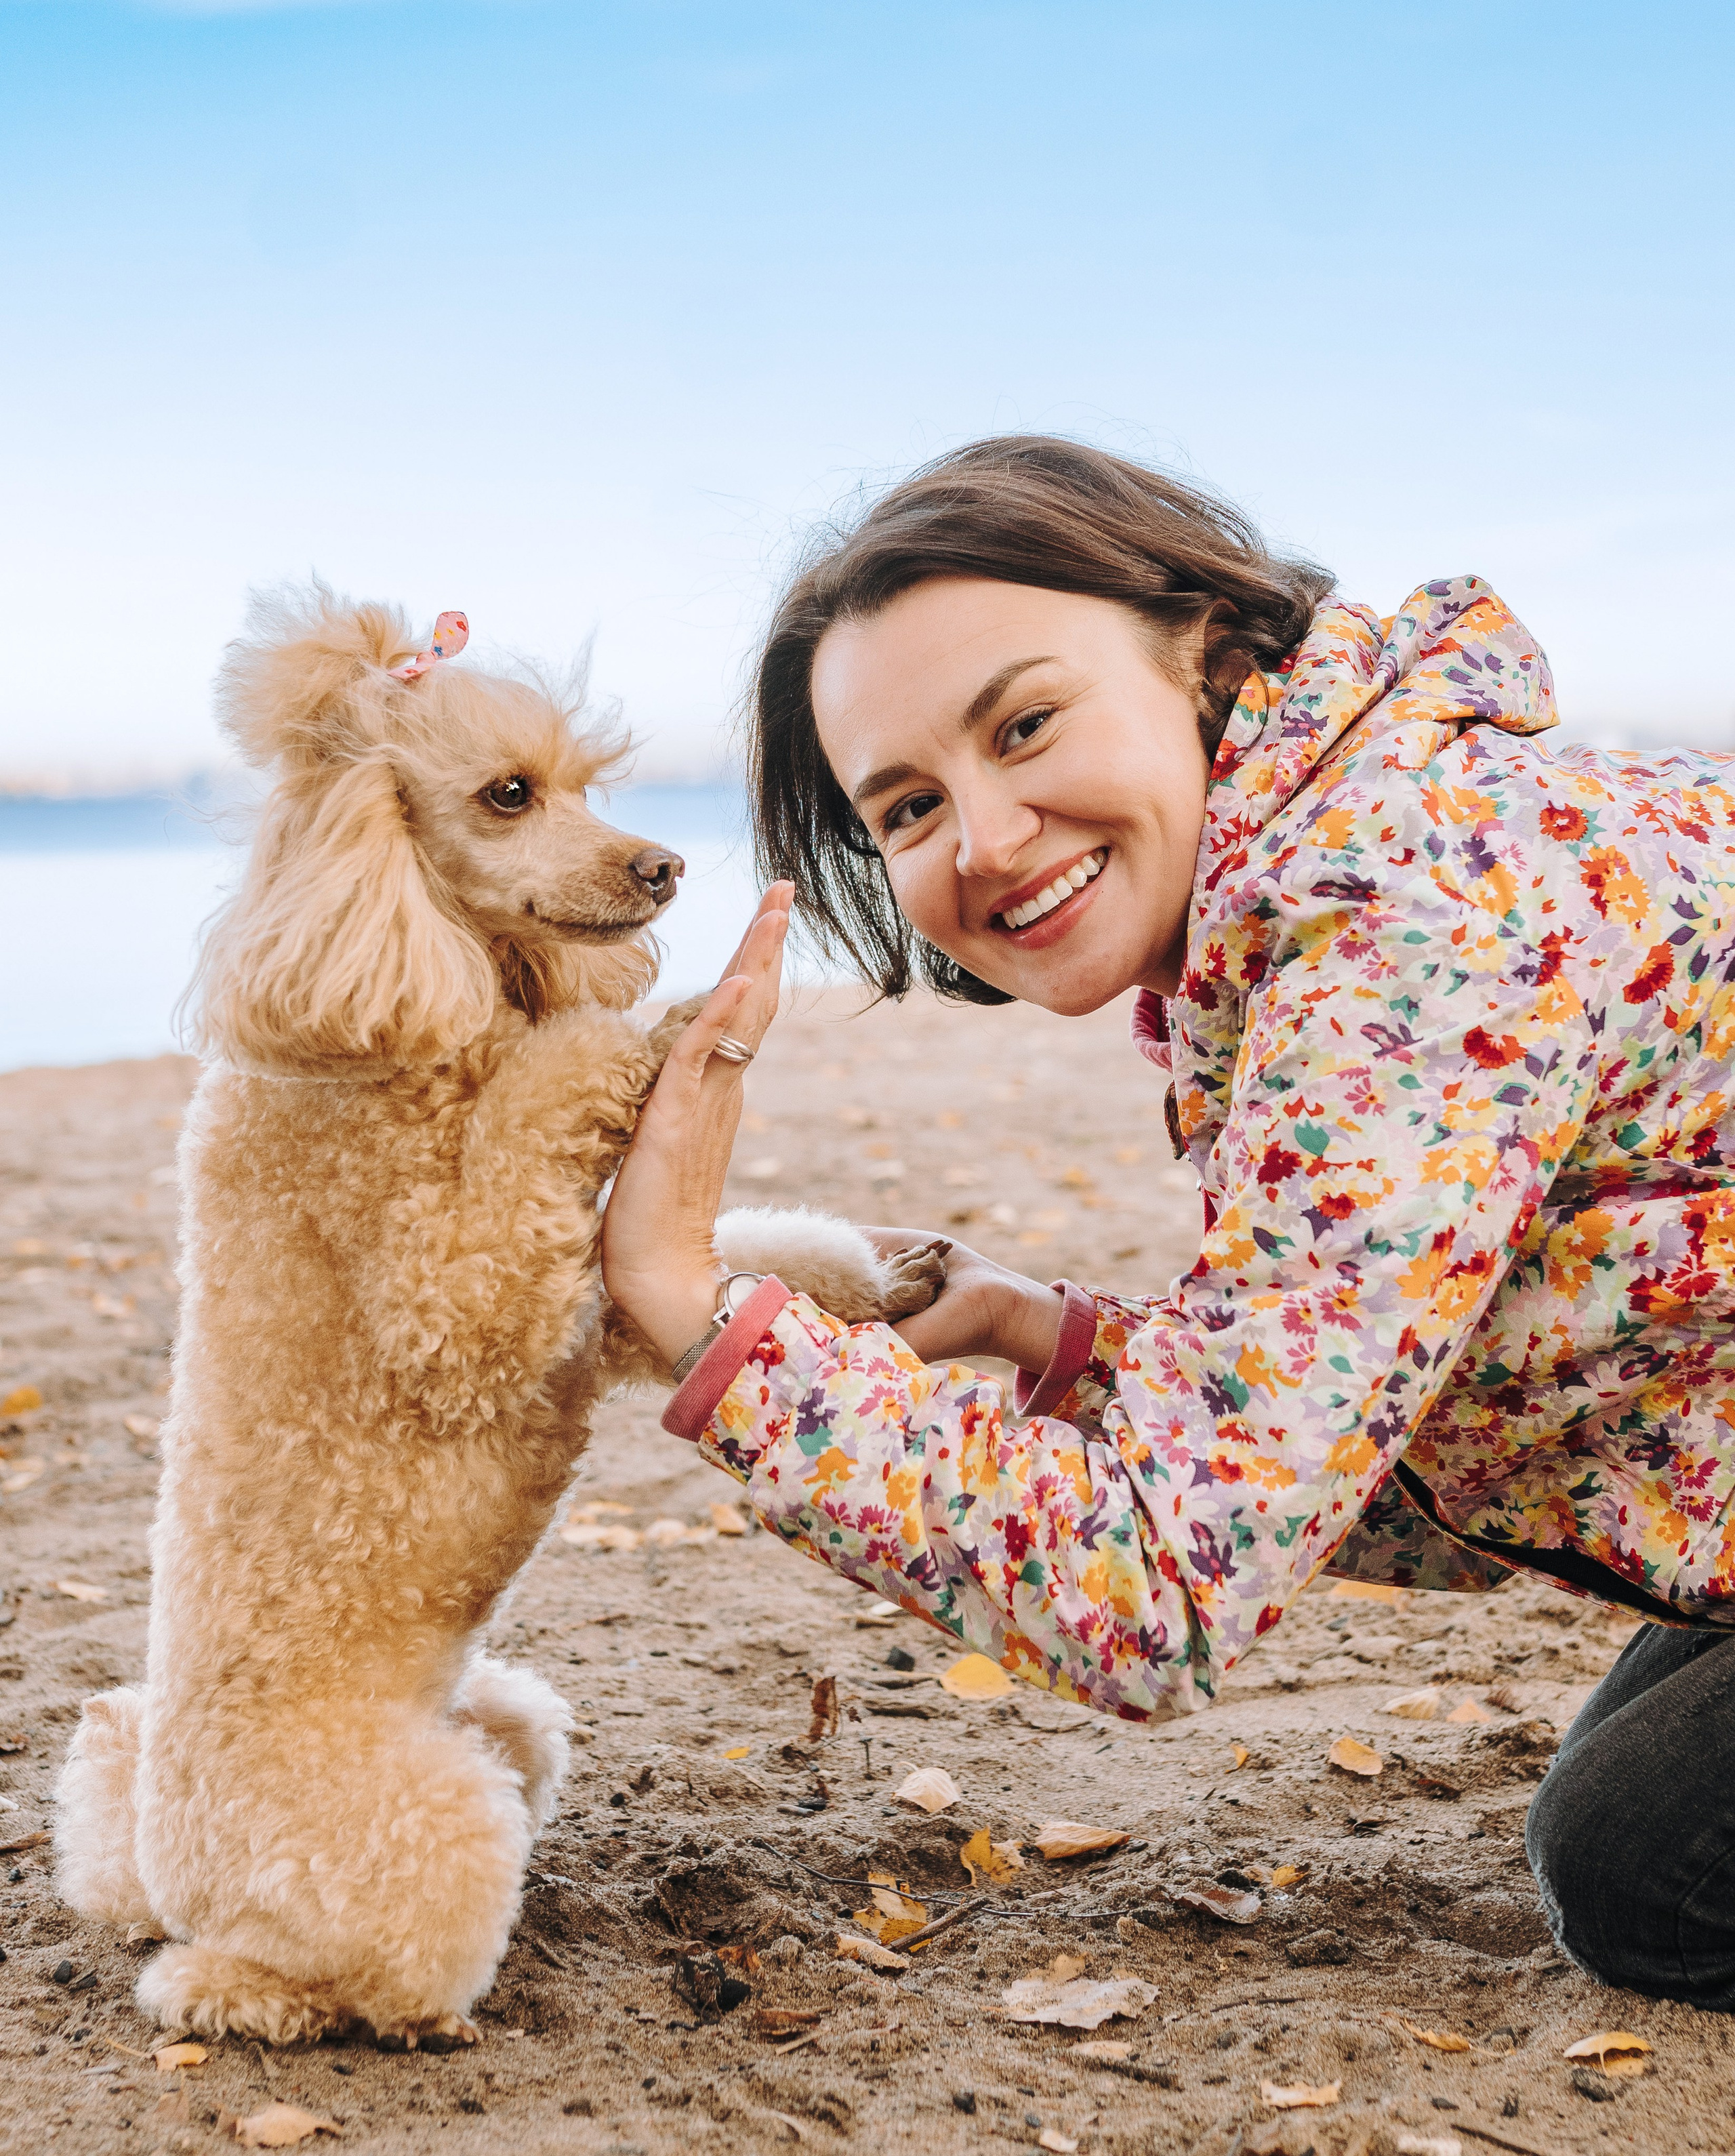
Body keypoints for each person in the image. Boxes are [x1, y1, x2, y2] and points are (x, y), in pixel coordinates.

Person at [600, 436, 1735, 2007]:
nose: (984, 839)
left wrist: (693, 1307)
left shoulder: (1405, 926)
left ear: (1203, 655)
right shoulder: (1359, 846)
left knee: (1642, 1869)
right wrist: (1050, 1334)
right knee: (1625, 1807)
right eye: (910, 805)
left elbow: (1160, 1592)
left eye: (1024, 723)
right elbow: (1441, 1427)